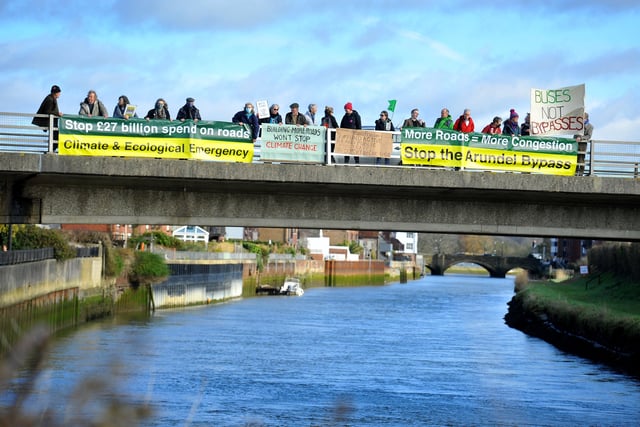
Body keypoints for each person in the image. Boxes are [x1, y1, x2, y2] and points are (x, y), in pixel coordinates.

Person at [575, 112, 594, 176]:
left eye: (582, 117)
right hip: (576, 143)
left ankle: (581, 172)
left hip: (583, 144)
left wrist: (581, 138)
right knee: (575, 157)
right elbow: (575, 134)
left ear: (585, 118)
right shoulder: (578, 125)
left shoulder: (590, 126)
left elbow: (589, 136)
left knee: (581, 158)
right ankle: (575, 172)